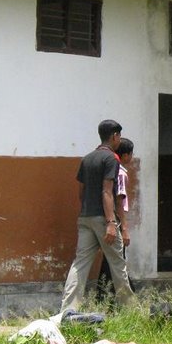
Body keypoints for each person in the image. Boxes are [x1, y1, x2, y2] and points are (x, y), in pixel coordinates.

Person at [59, 120, 135, 315]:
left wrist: (87, 212)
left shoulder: (87, 158)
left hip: (85, 217)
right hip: (103, 219)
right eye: (119, 136)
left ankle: (67, 310)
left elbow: (81, 191)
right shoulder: (112, 159)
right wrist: (111, 223)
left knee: (80, 264)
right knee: (118, 265)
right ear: (115, 136)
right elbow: (108, 192)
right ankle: (131, 311)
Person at [96, 137, 134, 300]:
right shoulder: (120, 172)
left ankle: (103, 296)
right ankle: (125, 296)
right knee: (118, 260)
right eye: (131, 154)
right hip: (115, 220)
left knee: (110, 259)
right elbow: (119, 201)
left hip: (108, 219)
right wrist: (123, 228)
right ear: (126, 155)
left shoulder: (109, 169)